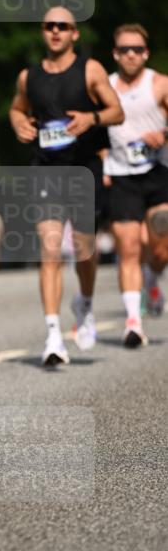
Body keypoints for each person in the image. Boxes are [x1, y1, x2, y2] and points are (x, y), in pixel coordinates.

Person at [9, 6, 124, 366]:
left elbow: (117, 111)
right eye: (49, 26)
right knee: (51, 249)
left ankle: (85, 304)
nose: (56, 31)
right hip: (46, 170)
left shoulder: (90, 70)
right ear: (43, 32)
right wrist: (18, 124)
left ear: (75, 33)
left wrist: (92, 117)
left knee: (85, 250)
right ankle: (54, 335)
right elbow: (16, 109)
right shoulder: (29, 76)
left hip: (84, 169)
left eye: (63, 26)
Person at [105, 23, 168, 346]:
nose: (131, 54)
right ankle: (133, 322)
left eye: (138, 49)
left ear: (147, 53)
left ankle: (154, 276)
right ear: (115, 54)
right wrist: (102, 159)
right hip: (121, 174)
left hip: (158, 173)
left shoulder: (160, 85)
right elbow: (93, 129)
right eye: (125, 49)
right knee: (128, 247)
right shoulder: (104, 87)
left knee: (159, 247)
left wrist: (164, 135)